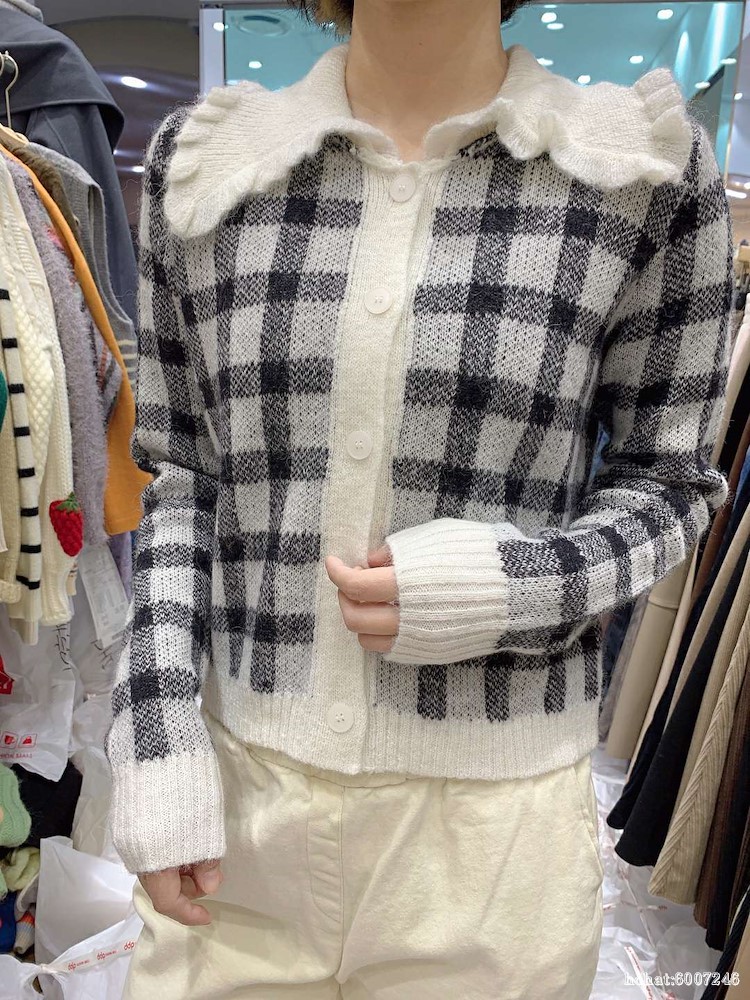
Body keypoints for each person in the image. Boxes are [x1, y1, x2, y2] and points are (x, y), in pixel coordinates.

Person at [105, 1, 734, 997]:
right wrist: (156, 733)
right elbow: (184, 477)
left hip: (490, 854)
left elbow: (670, 481)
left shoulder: (638, 172)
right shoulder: (211, 169)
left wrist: (511, 588)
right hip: (234, 820)